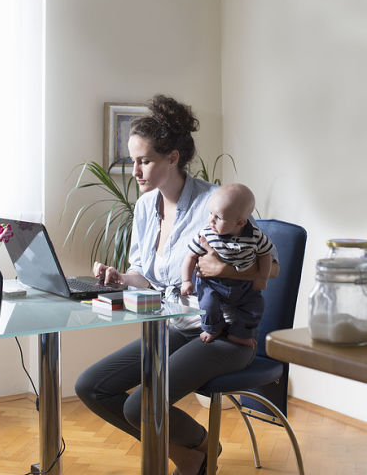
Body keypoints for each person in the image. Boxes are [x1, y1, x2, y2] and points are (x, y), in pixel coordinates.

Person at [75, 95, 279, 475]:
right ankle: (193, 452)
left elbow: (273, 268)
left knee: (139, 407)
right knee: (91, 386)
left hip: (225, 335)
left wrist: (221, 270)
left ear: (172, 158)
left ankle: (198, 449)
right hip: (172, 329)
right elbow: (144, 275)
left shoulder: (215, 204)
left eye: (144, 160)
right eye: (132, 159)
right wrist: (120, 278)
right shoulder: (144, 207)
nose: (134, 169)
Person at [181, 183, 273, 347]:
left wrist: (262, 277)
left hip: (244, 285)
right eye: (210, 214)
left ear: (241, 223)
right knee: (208, 304)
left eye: (219, 217)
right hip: (212, 284)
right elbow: (190, 257)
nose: (211, 220)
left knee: (256, 306)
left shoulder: (256, 237)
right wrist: (186, 281)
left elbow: (265, 256)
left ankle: (241, 334)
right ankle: (213, 327)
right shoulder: (206, 234)